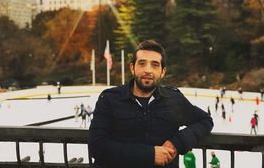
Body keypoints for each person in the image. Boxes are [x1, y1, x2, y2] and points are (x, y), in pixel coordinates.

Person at [89, 40, 213, 168]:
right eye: (142, 63)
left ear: (162, 71)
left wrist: (178, 142)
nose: (148, 70)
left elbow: (205, 120)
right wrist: (150, 155)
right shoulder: (110, 98)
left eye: (155, 65)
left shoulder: (173, 99)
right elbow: (97, 146)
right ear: (132, 67)